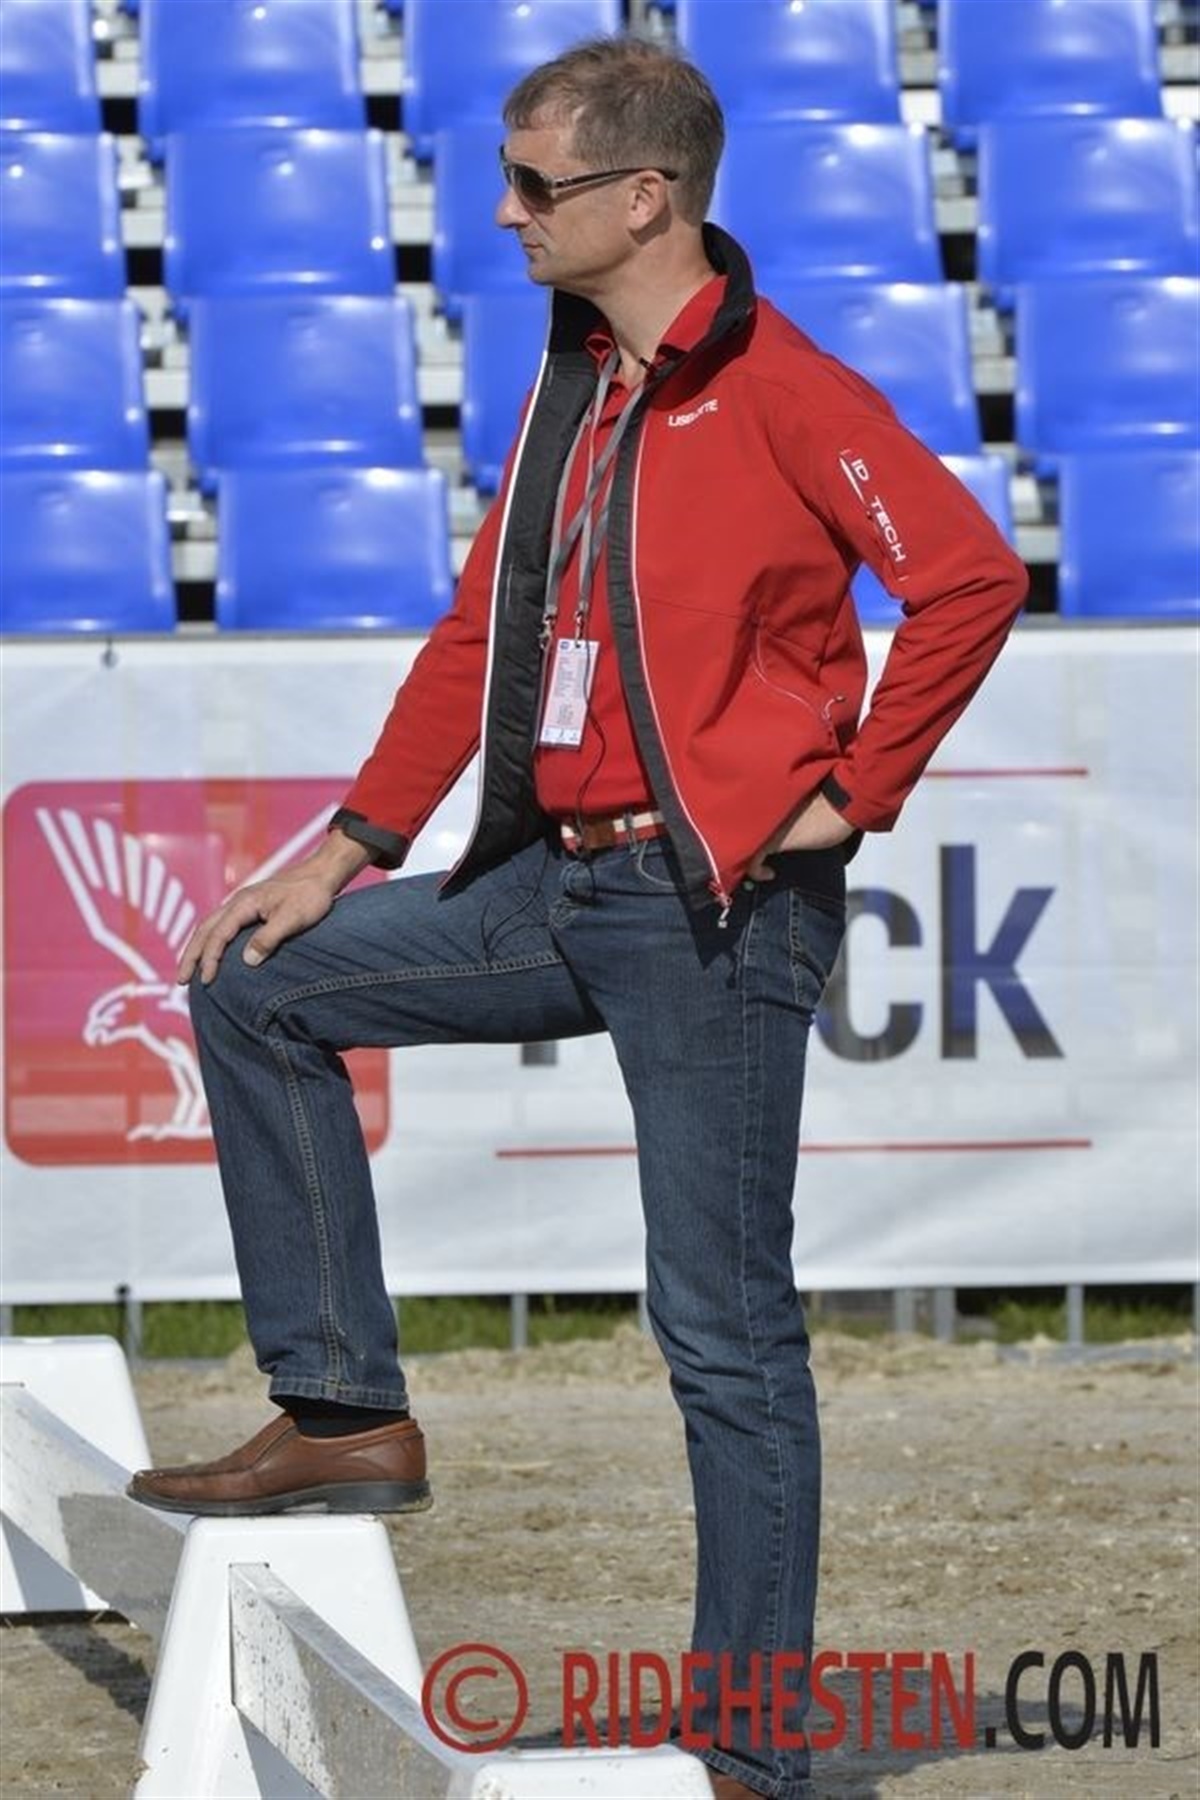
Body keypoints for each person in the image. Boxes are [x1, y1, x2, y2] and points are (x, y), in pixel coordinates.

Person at [128, 34, 1028, 1798]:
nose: (507, 212)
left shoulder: (787, 388)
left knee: (721, 1327)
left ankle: (748, 1735)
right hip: (565, 882)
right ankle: (346, 1413)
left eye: (538, 184)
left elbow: (970, 580)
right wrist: (346, 849)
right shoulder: (573, 381)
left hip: (720, 910)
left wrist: (852, 795)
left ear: (647, 198)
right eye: (508, 178)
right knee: (256, 983)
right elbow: (484, 634)